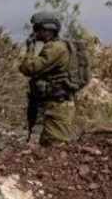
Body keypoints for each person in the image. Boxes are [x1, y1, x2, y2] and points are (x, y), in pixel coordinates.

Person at [20, 10, 75, 146]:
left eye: (37, 29)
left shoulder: (56, 48)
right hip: (53, 104)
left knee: (55, 146)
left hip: (57, 107)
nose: (35, 32)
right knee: (48, 146)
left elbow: (29, 68)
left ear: (48, 30)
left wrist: (30, 49)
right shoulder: (57, 46)